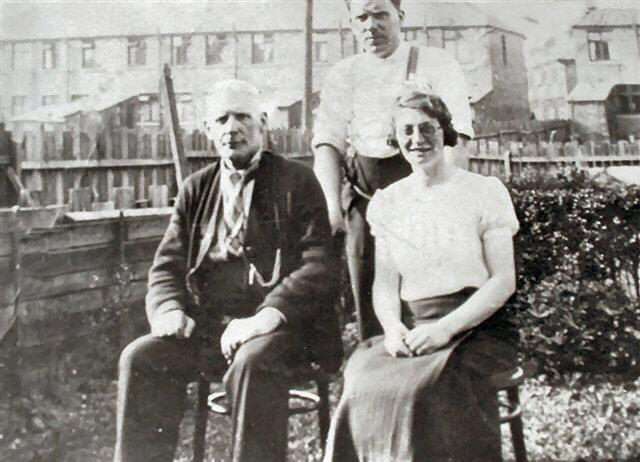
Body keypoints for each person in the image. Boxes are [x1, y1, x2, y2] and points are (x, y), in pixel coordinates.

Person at [114, 80, 342, 462]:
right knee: (141, 358)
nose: (231, 127)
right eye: (221, 119)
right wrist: (168, 308)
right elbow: (167, 264)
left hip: (286, 332)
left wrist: (266, 316)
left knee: (254, 361)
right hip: (210, 332)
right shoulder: (195, 189)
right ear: (208, 130)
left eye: (242, 116)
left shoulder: (298, 182)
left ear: (263, 123)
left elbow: (319, 265)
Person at [323, 87, 519, 461]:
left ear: (444, 131)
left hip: (478, 327)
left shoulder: (483, 191)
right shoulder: (388, 202)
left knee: (425, 390)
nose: (417, 140)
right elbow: (384, 286)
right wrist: (394, 329)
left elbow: (503, 281)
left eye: (427, 128)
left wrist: (444, 330)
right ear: (396, 139)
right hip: (415, 327)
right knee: (360, 382)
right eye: (407, 130)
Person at [312, 0, 474, 341]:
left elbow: (457, 138)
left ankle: (432, 377)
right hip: (365, 198)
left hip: (425, 192)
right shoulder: (344, 73)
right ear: (352, 24)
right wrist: (331, 208)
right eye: (362, 17)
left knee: (429, 295)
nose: (371, 25)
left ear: (400, 16)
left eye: (380, 14)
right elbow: (327, 143)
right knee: (371, 297)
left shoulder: (435, 62)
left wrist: (447, 202)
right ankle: (378, 378)